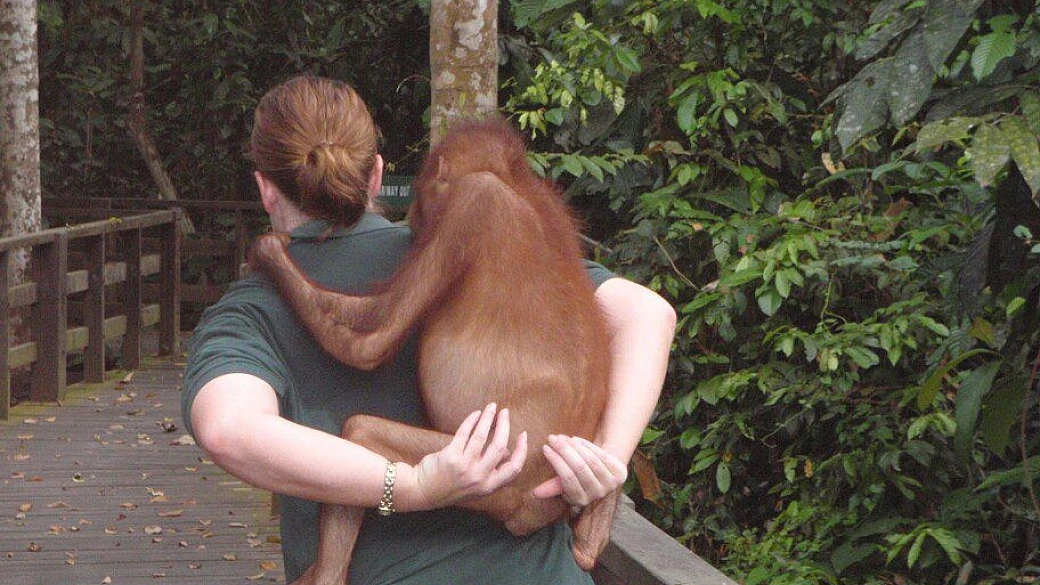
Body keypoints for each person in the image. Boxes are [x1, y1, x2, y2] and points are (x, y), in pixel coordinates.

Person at [181, 75, 676, 585]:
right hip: (543, 572)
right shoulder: (497, 248)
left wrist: (411, 486)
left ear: (265, 188)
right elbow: (648, 314)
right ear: (376, 175)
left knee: (361, 435)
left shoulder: (248, 310)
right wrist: (606, 465)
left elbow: (228, 429)